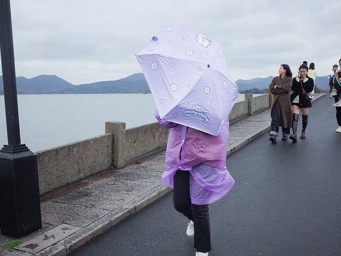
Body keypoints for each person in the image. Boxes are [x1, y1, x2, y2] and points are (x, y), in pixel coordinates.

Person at [156, 113, 235, 256]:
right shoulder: (180, 94)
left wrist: (198, 116)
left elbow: (220, 127)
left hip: (205, 158)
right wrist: (170, 111)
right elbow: (166, 122)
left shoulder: (215, 102)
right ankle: (195, 221)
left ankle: (202, 249)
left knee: (199, 206)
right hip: (180, 158)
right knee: (180, 204)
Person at [289, 64, 314, 142]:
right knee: (295, 117)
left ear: (307, 72)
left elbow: (309, 89)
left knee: (304, 117)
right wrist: (296, 80)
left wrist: (305, 80)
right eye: (301, 71)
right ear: (299, 71)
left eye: (304, 71)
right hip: (296, 100)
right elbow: (293, 88)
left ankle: (303, 131)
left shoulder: (310, 80)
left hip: (305, 101)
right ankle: (294, 134)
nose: (302, 73)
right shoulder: (295, 79)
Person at [268, 64, 293, 143]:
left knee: (285, 117)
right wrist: (281, 88)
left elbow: (288, 88)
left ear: (285, 70)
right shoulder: (275, 79)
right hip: (276, 102)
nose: (279, 69)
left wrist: (277, 87)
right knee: (275, 118)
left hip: (285, 102)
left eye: (280, 68)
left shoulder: (289, 79)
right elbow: (271, 89)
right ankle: (273, 135)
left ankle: (285, 133)